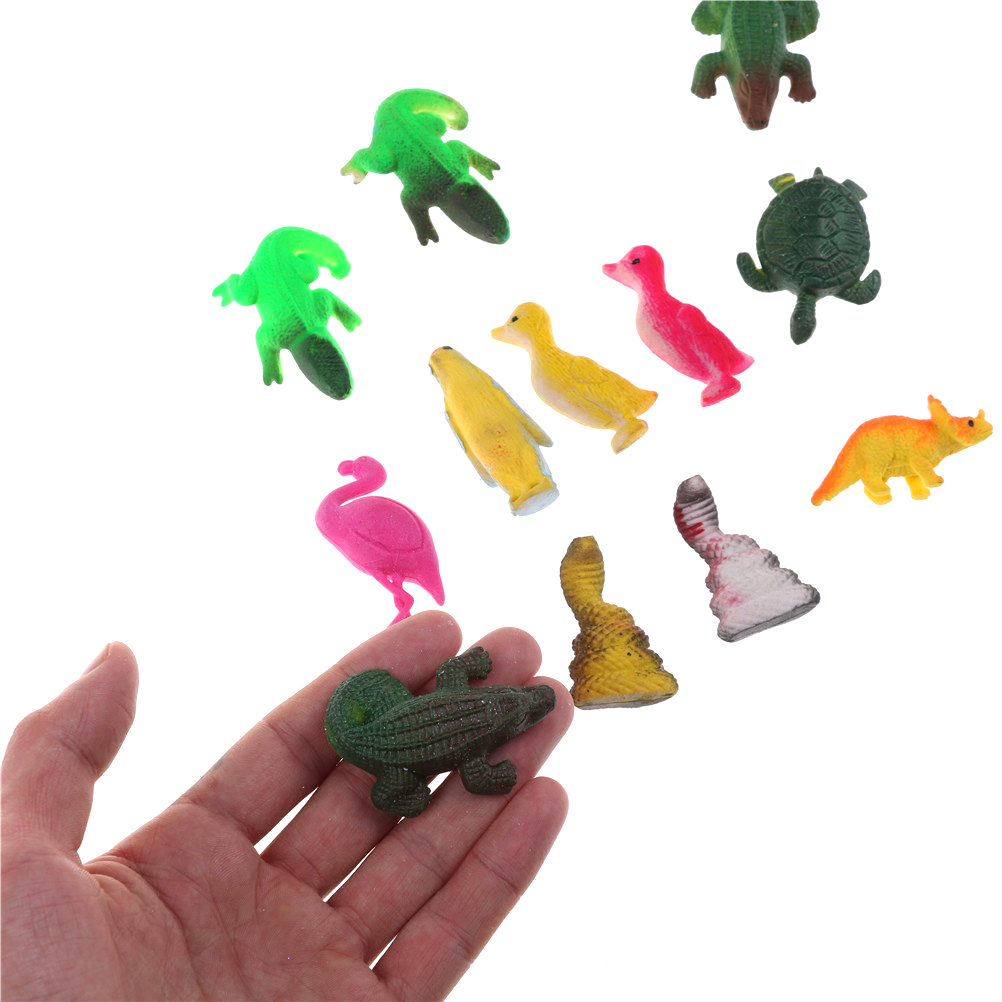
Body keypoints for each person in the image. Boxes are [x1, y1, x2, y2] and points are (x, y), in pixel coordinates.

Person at [1, 612, 572, 1001]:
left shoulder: (459, 697)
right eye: (520, 704)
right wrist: (485, 777)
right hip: (392, 743)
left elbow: (452, 677)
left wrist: (470, 670)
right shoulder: (475, 742)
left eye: (522, 705)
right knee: (393, 790)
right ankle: (396, 782)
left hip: (398, 726)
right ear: (502, 707)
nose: (527, 705)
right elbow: (477, 773)